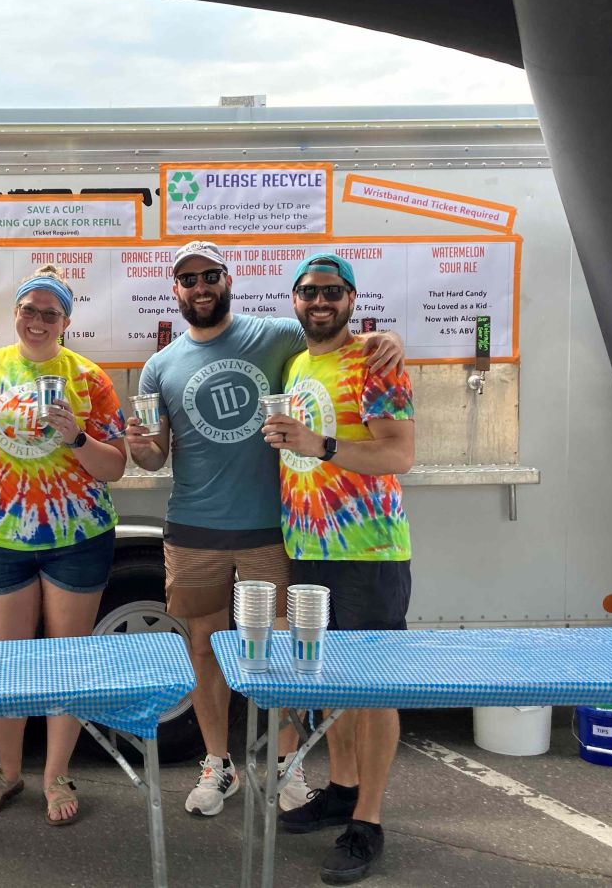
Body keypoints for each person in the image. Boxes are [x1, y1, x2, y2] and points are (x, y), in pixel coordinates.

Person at [125, 240, 404, 817]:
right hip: (193, 528)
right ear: (175, 290)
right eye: (188, 279)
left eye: (210, 275)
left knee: (281, 655)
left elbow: (338, 337)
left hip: (273, 529)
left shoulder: (277, 335)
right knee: (204, 647)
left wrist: (390, 338)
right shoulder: (160, 365)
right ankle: (218, 763)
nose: (200, 287)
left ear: (228, 280)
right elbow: (155, 457)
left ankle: (286, 764)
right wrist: (139, 448)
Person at [263, 253, 414, 885]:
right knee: (332, 684)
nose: (320, 301)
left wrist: (319, 445)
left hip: (367, 552)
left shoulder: (375, 362)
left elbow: (398, 455)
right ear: (294, 300)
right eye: (309, 292)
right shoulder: (298, 364)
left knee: (372, 691)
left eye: (332, 291)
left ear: (352, 298)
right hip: (308, 549)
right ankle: (343, 789)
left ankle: (368, 822)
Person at [0, 265, 127, 826]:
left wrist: (75, 435)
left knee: (65, 661)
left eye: (50, 313)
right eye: (29, 310)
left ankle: (56, 774)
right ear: (15, 313)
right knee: (3, 665)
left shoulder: (89, 378)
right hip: (7, 536)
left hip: (79, 536)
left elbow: (116, 467)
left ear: (66, 321)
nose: (37, 321)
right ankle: (8, 770)